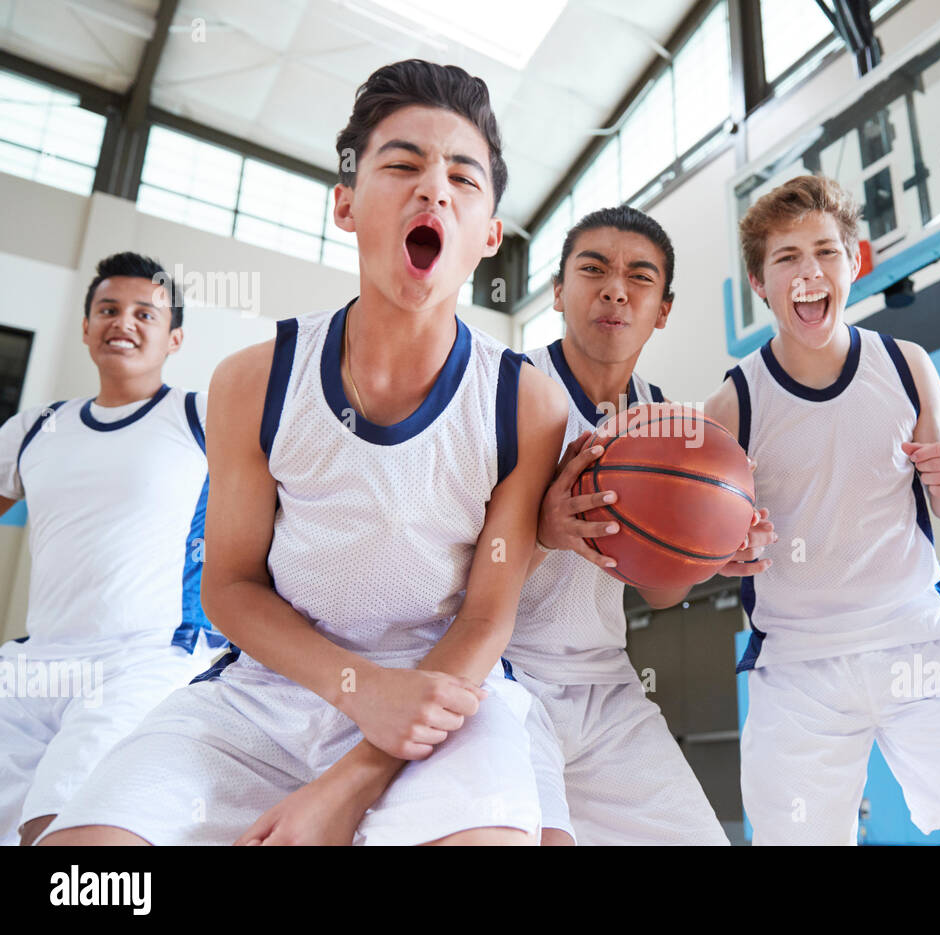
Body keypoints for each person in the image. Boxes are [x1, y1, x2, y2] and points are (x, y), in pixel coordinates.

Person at [38, 59, 568, 846]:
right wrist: (358, 691)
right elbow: (229, 586)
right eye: (402, 164)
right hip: (267, 692)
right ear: (347, 205)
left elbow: (489, 615)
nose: (434, 190)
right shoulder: (252, 381)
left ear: (489, 234)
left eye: (463, 177)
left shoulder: (525, 404)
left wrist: (352, 778)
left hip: (445, 695)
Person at [704, 174, 940, 845]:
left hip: (917, 635)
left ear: (854, 262)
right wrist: (725, 552)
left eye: (826, 252)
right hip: (797, 663)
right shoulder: (733, 404)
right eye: (787, 258)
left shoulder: (906, 364)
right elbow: (710, 548)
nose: (810, 272)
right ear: (759, 285)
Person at [508, 205, 773, 845]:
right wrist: (542, 531)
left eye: (640, 277)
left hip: (605, 678)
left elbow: (660, 593)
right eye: (593, 269)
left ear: (663, 309)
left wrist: (705, 553)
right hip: (503, 672)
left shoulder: (669, 422)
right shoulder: (503, 387)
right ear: (557, 292)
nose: (615, 289)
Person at [0, 252, 224, 846]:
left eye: (144, 313)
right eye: (108, 309)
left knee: (60, 830)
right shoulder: (33, 429)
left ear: (174, 337)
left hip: (147, 658)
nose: (123, 321)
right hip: (35, 663)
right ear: (85, 327)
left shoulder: (203, 417)